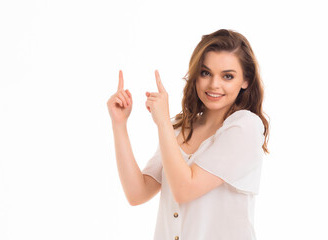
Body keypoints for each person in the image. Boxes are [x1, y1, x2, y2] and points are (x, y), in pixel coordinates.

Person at [107, 29, 270, 240]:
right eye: (205, 73)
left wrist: (163, 122)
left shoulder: (245, 127)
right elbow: (137, 193)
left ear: (245, 80)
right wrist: (119, 124)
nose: (214, 84)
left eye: (227, 76)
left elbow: (184, 189)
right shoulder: (179, 127)